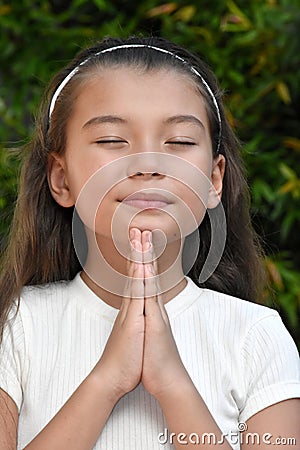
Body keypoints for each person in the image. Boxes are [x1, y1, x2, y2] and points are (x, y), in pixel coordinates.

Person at [0, 35, 299, 450]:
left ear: (214, 180)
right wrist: (107, 380)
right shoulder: (16, 327)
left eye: (178, 142)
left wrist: (173, 383)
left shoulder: (256, 337)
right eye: (111, 141)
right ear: (61, 178)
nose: (147, 164)